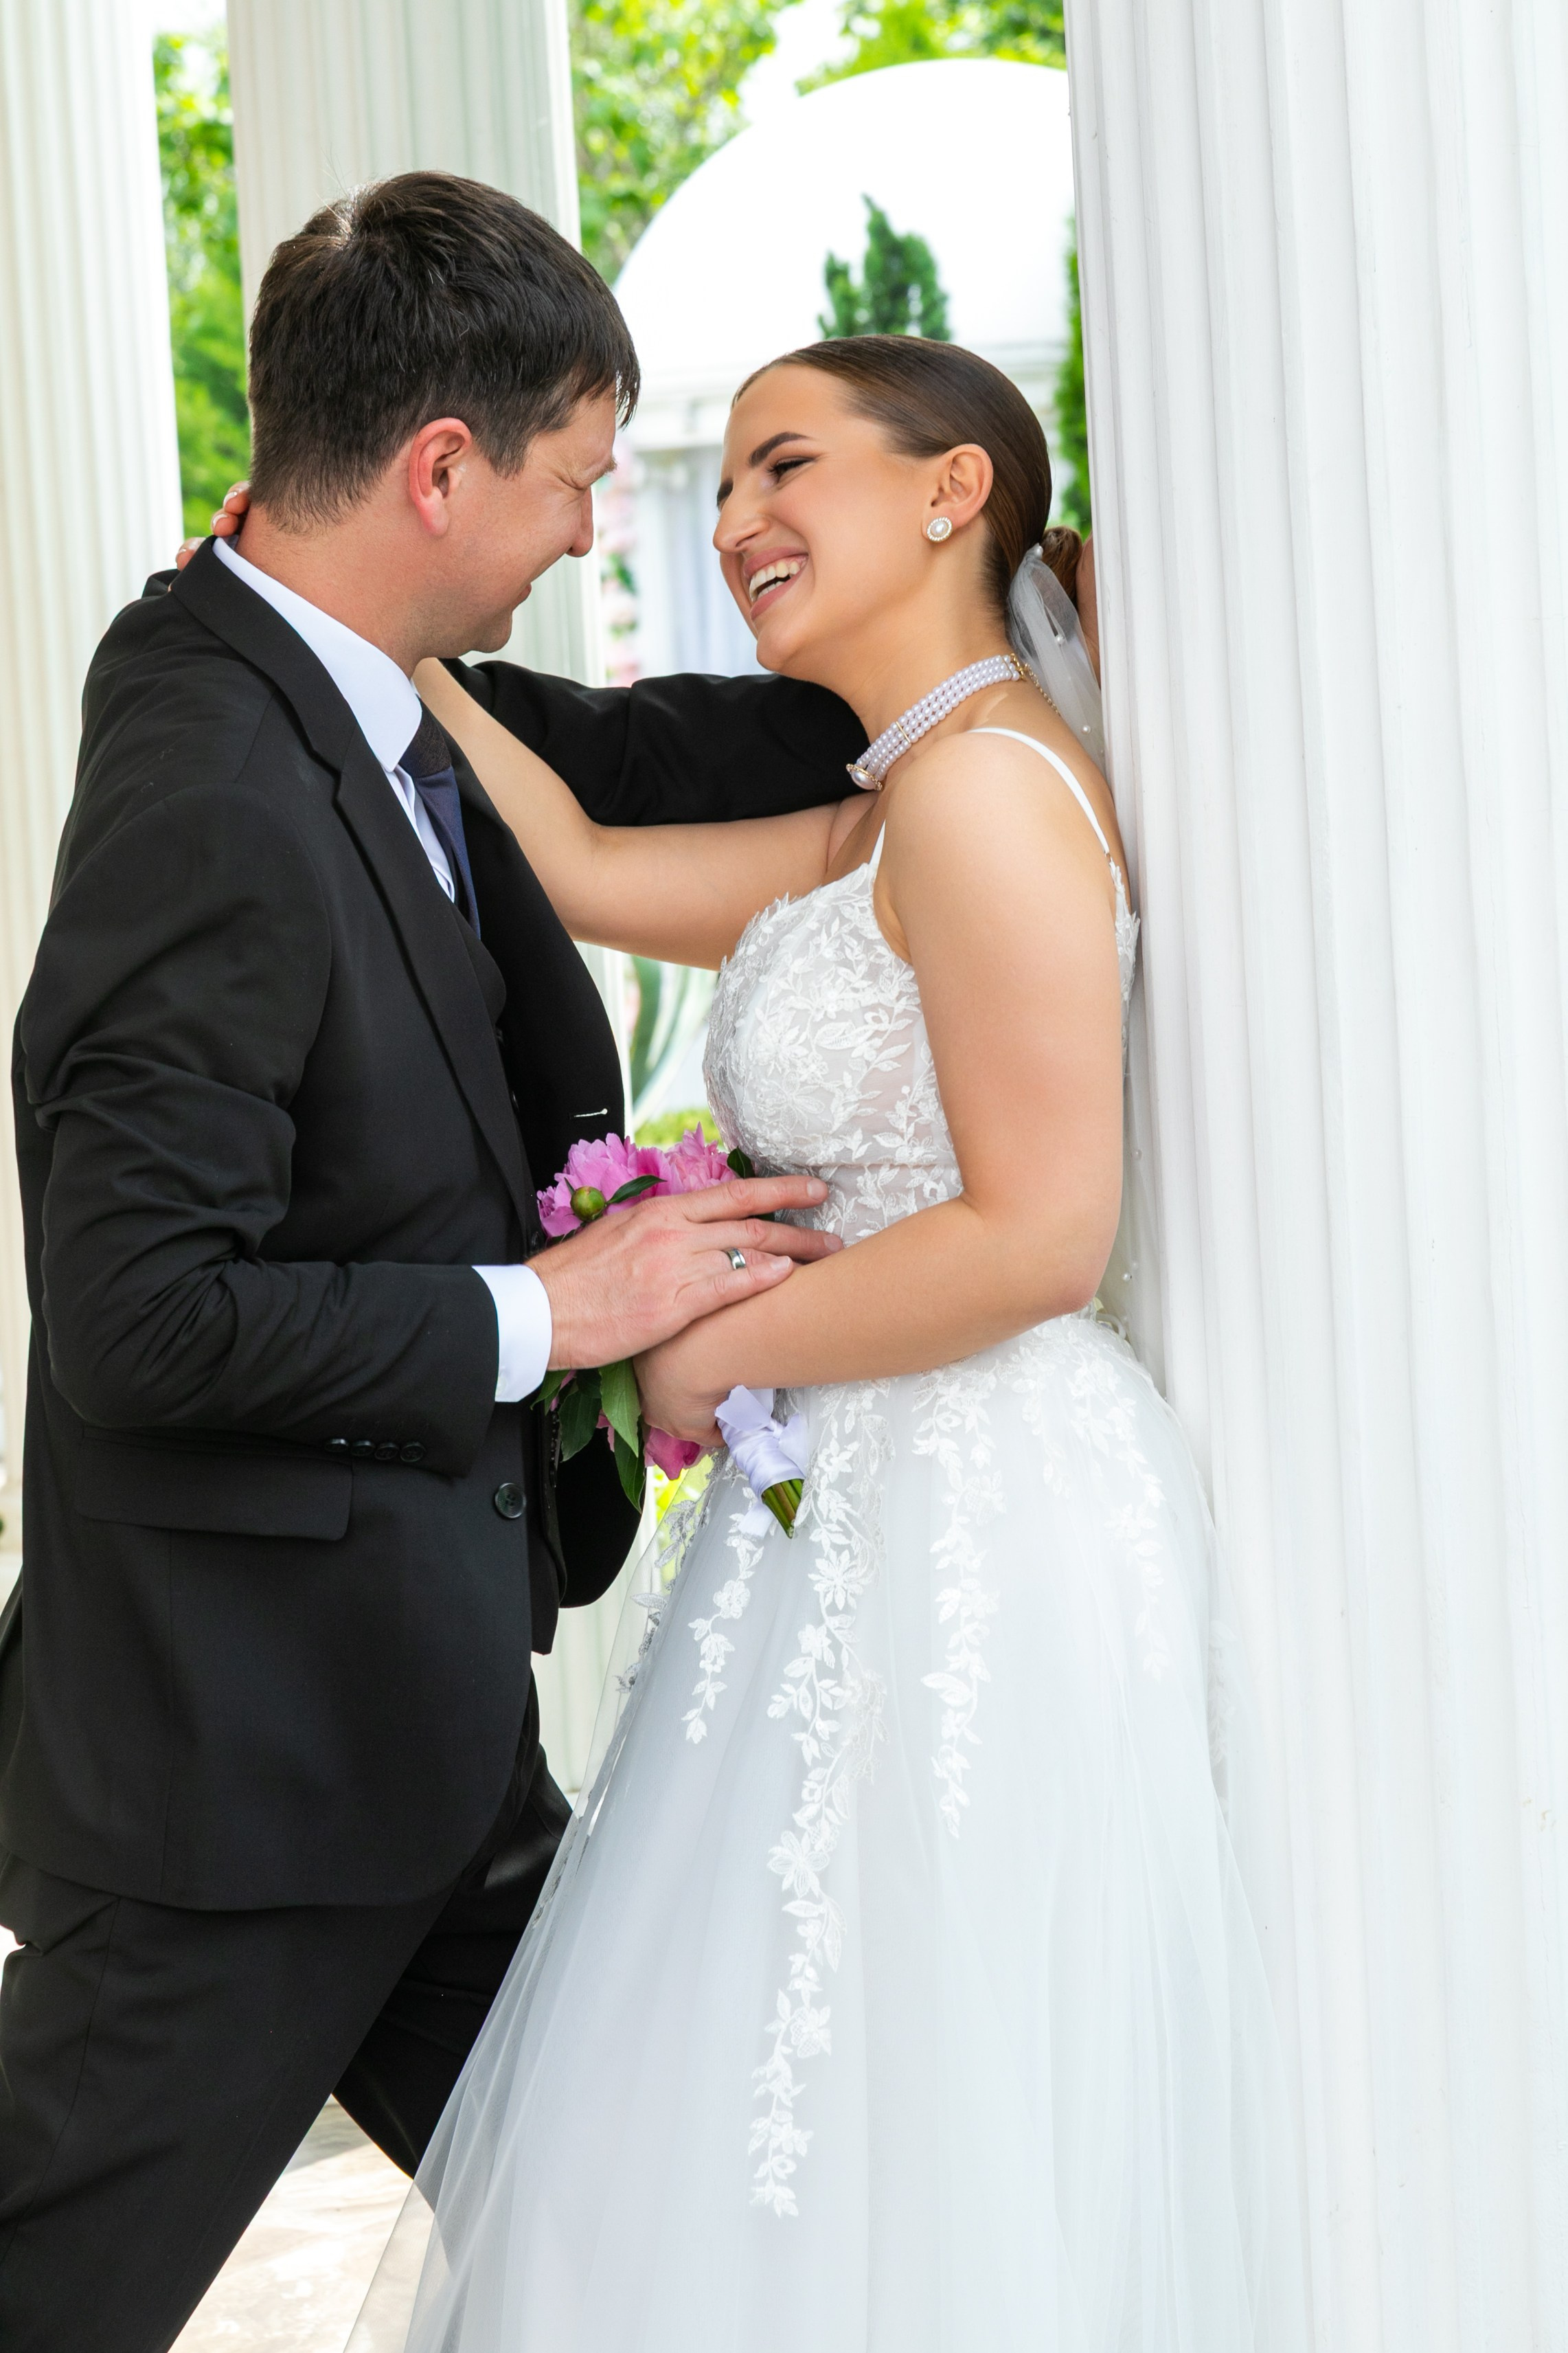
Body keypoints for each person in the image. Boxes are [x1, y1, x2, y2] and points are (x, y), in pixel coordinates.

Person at [353, 335, 1308, 2349]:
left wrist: (707, 1342)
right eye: (725, 486)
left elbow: (1047, 1231)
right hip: (850, 1498)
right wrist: (389, 640)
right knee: (793, 2064)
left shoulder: (980, 798)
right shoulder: (897, 803)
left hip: (970, 1508)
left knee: (910, 2080)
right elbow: (592, 869)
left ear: (952, 489)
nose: (735, 519)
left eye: (786, 466)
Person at [0, 173, 870, 2352]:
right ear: (438, 468)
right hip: (240, 1788)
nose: (596, 530)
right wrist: (555, 1313)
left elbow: (653, 750)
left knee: (655, 2216)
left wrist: (1001, 645)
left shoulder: (356, 690)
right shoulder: (210, 770)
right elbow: (140, 1313)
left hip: (406, 1726)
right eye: (578, 481)